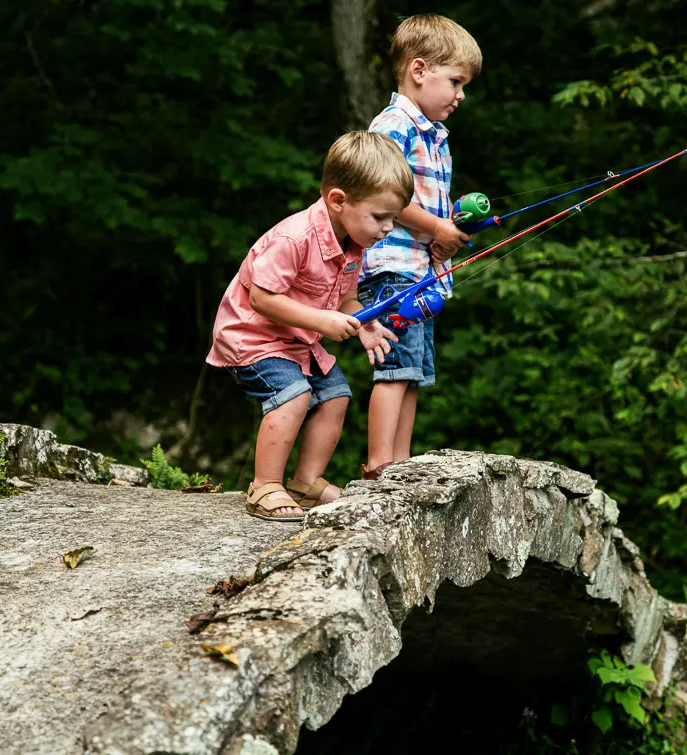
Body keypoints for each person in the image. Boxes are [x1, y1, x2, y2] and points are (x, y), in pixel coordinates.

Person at [207, 132, 410, 521]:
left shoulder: (354, 245)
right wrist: (323, 321)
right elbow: (262, 298)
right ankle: (265, 486)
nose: (388, 228)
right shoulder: (294, 237)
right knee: (294, 393)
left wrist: (363, 323)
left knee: (335, 394)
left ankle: (306, 483)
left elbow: (347, 300)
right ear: (338, 200)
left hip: (297, 342)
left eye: (393, 218)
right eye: (380, 217)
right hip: (251, 337)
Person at [357, 13, 483, 480]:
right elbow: (379, 191)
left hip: (419, 271)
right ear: (419, 69)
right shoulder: (395, 124)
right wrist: (436, 227)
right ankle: (378, 466)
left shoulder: (435, 136)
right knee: (394, 370)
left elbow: (427, 203)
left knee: (411, 372)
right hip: (392, 267)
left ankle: (401, 467)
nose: (460, 95)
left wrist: (446, 231)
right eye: (455, 81)